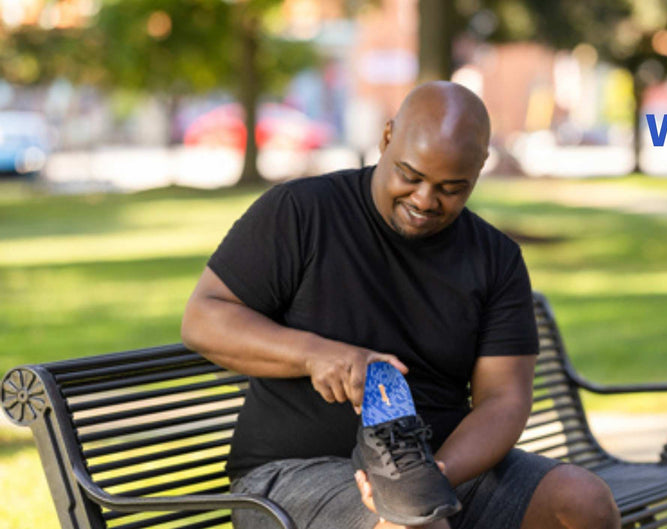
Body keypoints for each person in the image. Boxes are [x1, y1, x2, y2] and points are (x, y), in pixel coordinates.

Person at [181, 81, 619, 529]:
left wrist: (431, 478)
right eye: (410, 176)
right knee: (415, 527)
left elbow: (504, 398)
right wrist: (316, 354)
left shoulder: (496, 259)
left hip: (438, 464)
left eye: (451, 187)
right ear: (387, 137)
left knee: (583, 502)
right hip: (291, 475)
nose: (425, 200)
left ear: (480, 166)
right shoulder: (301, 211)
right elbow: (203, 318)